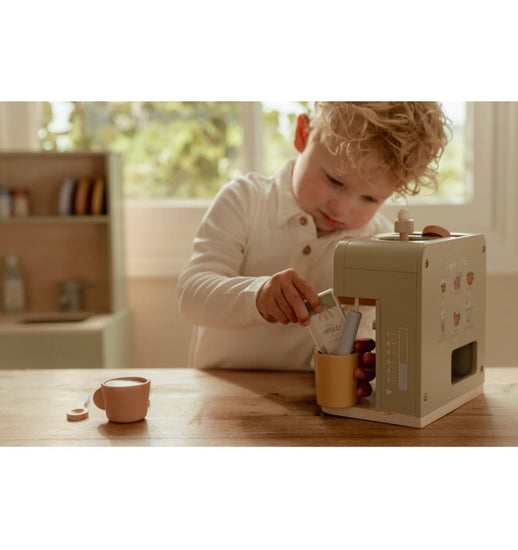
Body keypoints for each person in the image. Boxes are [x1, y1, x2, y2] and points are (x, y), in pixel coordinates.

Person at [177, 102, 450, 397]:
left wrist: (366, 361)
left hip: (316, 398)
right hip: (219, 394)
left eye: (370, 199)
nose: (342, 209)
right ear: (302, 134)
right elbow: (192, 294)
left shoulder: (379, 242)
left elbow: (373, 333)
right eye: (335, 181)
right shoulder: (245, 200)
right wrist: (259, 296)